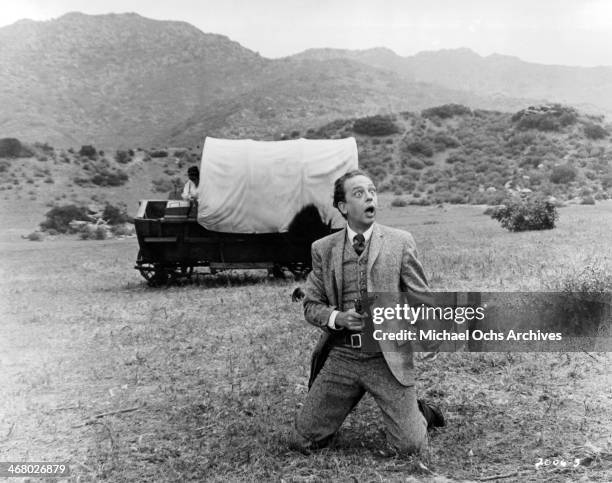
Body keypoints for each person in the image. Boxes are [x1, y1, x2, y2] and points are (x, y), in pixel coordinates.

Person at [293, 169, 444, 455]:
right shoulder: (323, 249)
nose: (369, 197)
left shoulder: (400, 241)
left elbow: (420, 296)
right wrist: (338, 318)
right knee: (303, 441)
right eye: (359, 193)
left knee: (409, 446)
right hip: (343, 356)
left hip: (386, 357)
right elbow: (311, 306)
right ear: (343, 207)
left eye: (372, 191)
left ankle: (423, 414)